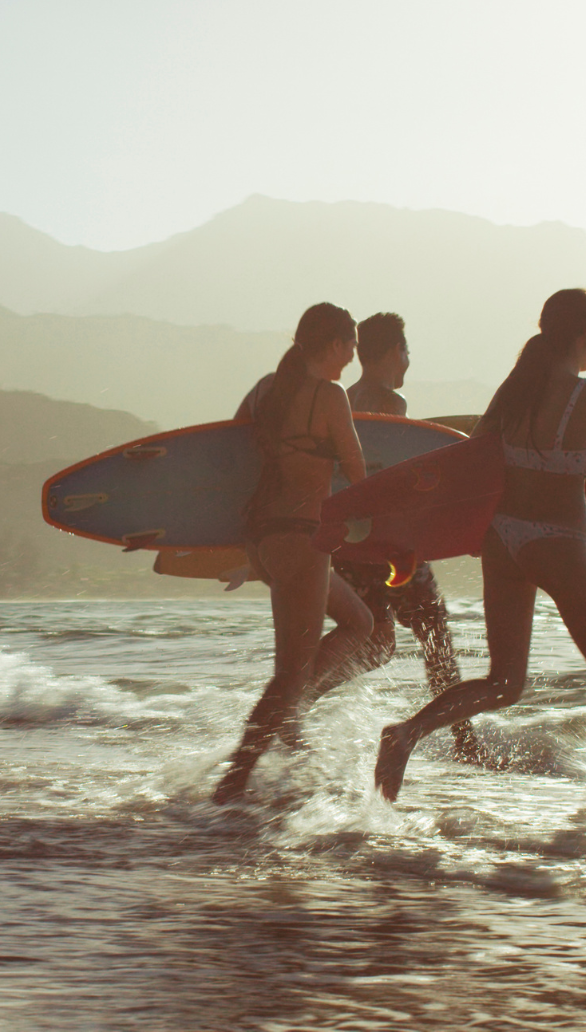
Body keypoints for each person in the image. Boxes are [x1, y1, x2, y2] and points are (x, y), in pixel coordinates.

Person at [374, 289, 586, 817]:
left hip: (502, 539)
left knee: (503, 681)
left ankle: (406, 734)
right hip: (557, 542)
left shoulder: (515, 390)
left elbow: (473, 459)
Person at [214, 302, 395, 804]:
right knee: (289, 673)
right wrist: (392, 526)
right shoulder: (329, 394)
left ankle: (289, 721)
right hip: (302, 537)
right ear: (335, 345)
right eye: (352, 345)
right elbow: (357, 473)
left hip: (266, 540)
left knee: (360, 624)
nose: (354, 355)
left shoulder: (265, 389)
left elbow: (228, 453)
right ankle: (231, 785)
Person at [334, 313, 492, 767]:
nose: (408, 360)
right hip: (389, 545)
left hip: (352, 542)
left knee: (377, 640)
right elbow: (395, 479)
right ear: (389, 353)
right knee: (435, 636)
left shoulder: (345, 400)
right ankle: (463, 741)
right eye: (405, 351)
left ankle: (299, 700)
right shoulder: (390, 401)